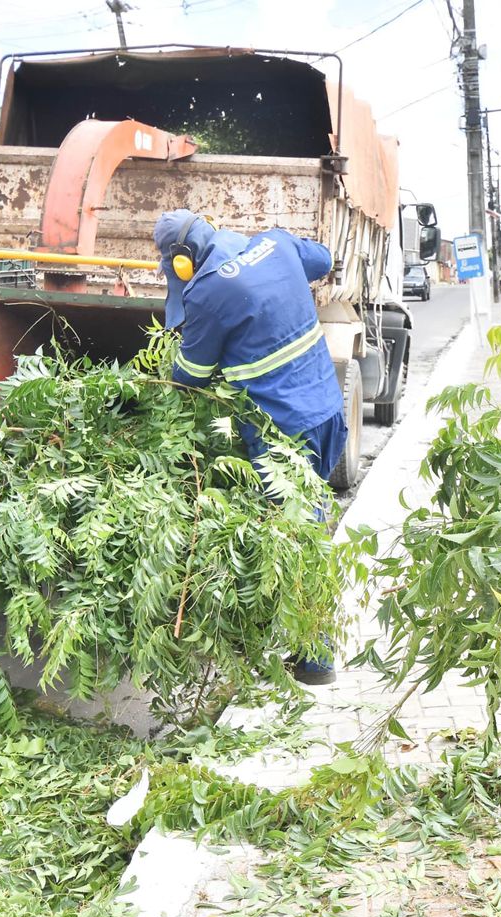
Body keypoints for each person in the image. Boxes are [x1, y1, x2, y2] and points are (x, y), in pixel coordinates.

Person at [153, 209, 347, 685]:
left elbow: (189, 376)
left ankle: (316, 659)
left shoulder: (209, 291)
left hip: (283, 436)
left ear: (182, 261)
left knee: (297, 537)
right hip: (327, 411)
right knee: (308, 525)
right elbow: (322, 260)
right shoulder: (276, 242)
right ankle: (300, 645)